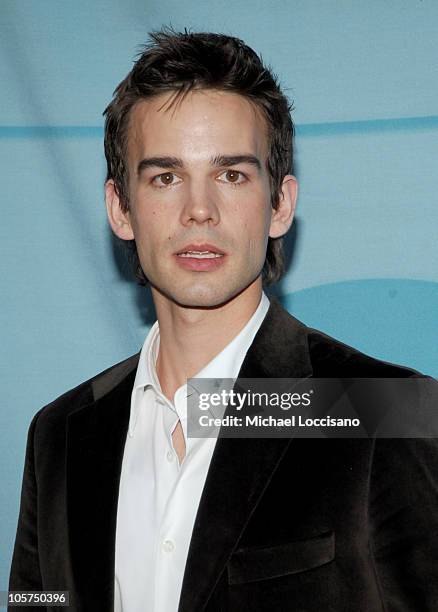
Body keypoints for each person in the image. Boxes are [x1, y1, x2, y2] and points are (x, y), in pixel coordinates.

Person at [9, 28, 438, 612]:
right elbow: (40, 603)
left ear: (281, 203)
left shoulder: (383, 409)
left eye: (231, 174)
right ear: (120, 208)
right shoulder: (60, 435)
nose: (199, 209)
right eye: (166, 176)